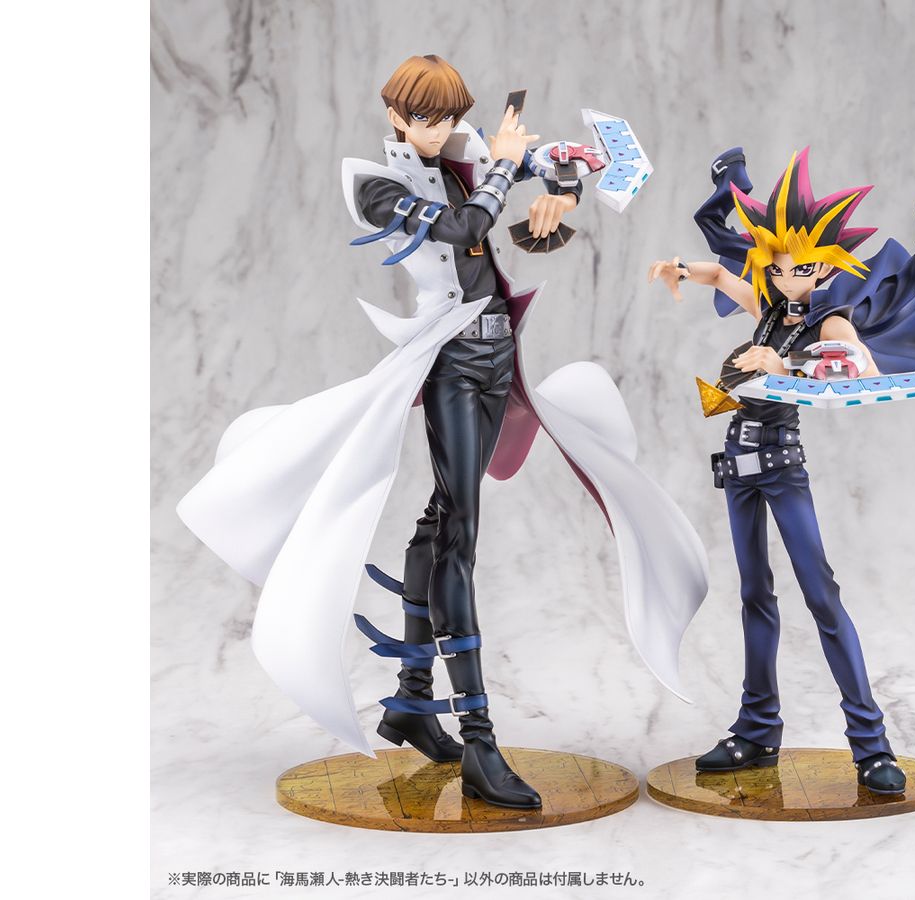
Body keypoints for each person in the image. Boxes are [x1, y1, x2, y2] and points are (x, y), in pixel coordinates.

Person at [178, 56, 708, 811]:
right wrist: (505, 168)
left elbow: (536, 198)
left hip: (499, 352)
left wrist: (559, 192)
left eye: (449, 116)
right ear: (396, 116)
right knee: (459, 532)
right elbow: (463, 227)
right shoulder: (376, 185)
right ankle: (479, 741)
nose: (439, 129)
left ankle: (410, 700)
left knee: (441, 520)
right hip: (452, 362)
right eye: (425, 118)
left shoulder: (465, 162)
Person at [649, 146, 915, 794]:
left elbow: (853, 365)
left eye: (801, 267)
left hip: (781, 467)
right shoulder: (768, 306)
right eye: (778, 266)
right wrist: (680, 268)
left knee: (822, 596)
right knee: (754, 596)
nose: (787, 277)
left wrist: (792, 365)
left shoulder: (830, 318)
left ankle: (871, 745)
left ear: (824, 265)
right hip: (737, 464)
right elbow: (725, 277)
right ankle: (757, 730)